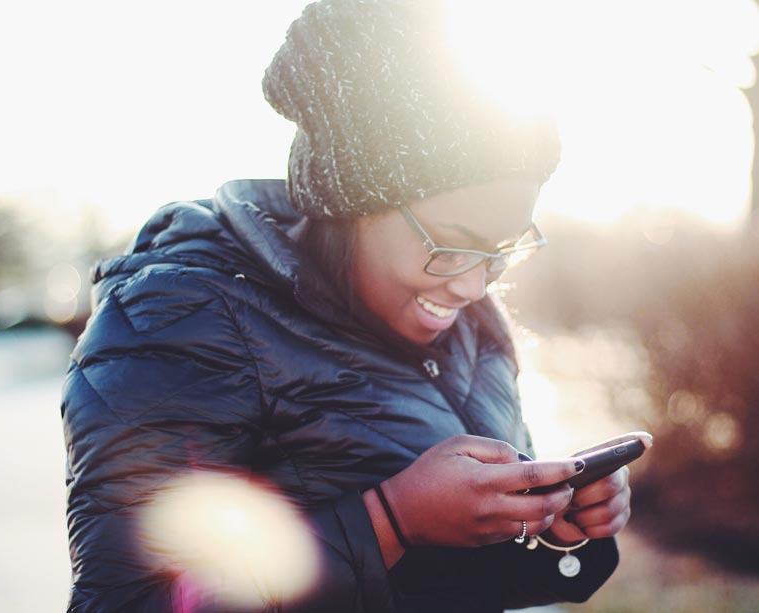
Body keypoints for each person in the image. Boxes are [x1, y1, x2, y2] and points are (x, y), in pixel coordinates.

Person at [61, 1, 641, 611]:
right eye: (453, 245)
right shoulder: (179, 320)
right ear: (350, 201)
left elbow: (452, 584)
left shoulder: (470, 324)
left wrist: (549, 525)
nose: (475, 287)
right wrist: (389, 522)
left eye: (502, 251)